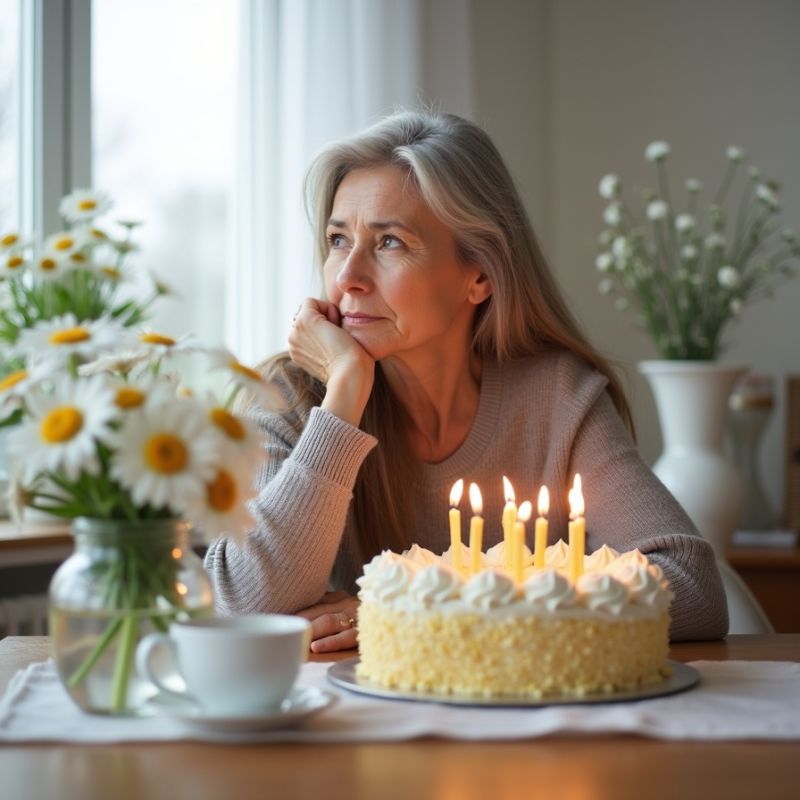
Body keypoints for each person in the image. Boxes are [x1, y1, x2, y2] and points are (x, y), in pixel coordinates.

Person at [204, 110, 728, 652]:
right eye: (338, 240)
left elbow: (693, 589)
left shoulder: (555, 398)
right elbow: (247, 605)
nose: (347, 277)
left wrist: (411, 611)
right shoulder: (286, 394)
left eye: (389, 243)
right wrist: (343, 395)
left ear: (479, 274)